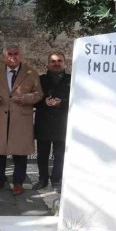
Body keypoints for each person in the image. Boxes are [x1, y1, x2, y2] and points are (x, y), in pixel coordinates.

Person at [0, 44, 43, 196]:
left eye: (16, 53)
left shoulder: (31, 73)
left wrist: (26, 98)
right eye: (9, 54)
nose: (13, 56)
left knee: (20, 153)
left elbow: (39, 94)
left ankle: (18, 183)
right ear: (4, 57)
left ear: (21, 55)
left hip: (21, 119)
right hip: (1, 118)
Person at [34, 52, 71, 192]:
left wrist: (61, 103)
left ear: (65, 63)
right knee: (42, 155)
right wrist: (44, 101)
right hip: (43, 123)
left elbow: (77, 100)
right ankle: (42, 179)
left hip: (62, 124)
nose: (56, 63)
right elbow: (33, 99)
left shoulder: (72, 79)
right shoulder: (40, 80)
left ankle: (56, 180)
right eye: (53, 61)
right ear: (48, 64)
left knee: (59, 155)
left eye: (59, 61)